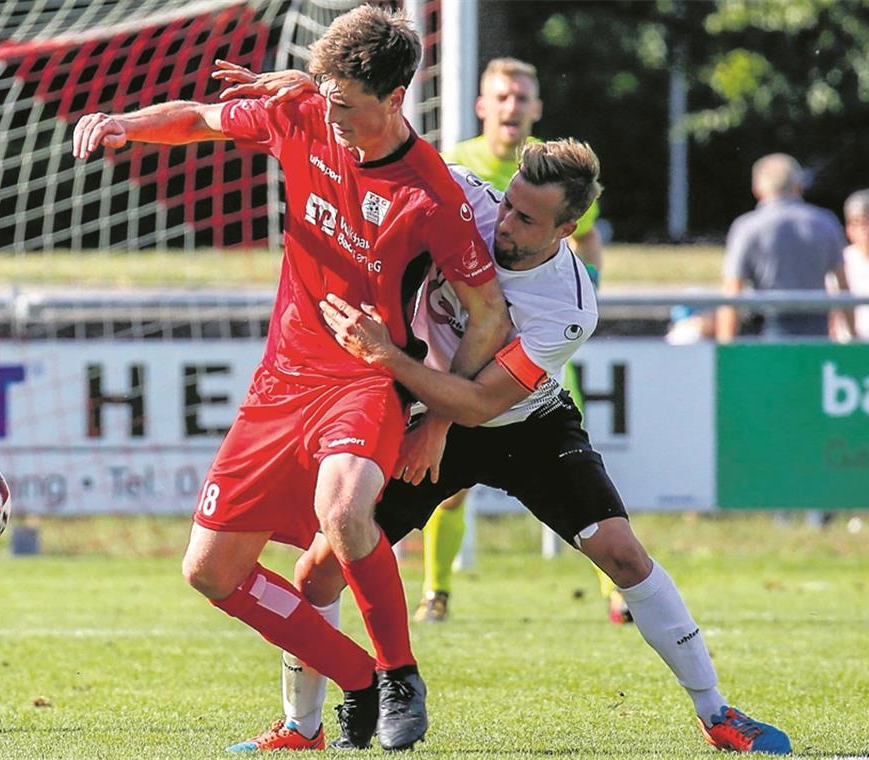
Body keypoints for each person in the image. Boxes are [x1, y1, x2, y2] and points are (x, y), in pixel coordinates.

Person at [228, 136, 791, 755]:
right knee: (317, 574)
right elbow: (379, 140)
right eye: (510, 203)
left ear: (567, 228)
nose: (506, 222)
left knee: (624, 555)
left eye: (527, 218)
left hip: (525, 427)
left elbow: (477, 404)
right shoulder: (467, 194)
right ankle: (302, 729)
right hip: (426, 413)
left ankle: (718, 715)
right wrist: (313, 96)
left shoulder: (568, 305)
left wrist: (395, 367)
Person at [72, 6, 510, 752]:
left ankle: (401, 675)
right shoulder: (304, 112)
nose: (330, 114)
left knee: (343, 513)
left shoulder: (430, 193)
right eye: (325, 95)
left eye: (346, 103)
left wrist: (437, 415)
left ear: (395, 98)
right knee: (209, 572)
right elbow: (202, 119)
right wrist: (125, 122)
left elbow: (488, 315)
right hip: (281, 380)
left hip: (366, 379)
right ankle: (358, 679)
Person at [418, 56, 620, 625]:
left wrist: (581, 292)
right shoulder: (457, 162)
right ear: (483, 106)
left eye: (522, 97)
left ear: (535, 107)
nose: (512, 107)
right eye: (502, 97)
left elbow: (588, 239)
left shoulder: (559, 177)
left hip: (534, 353)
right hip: (464, 339)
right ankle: (436, 590)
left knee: (580, 477)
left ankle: (617, 592)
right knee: (446, 475)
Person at [717, 153, 852, 342]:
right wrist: (854, 338)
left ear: (757, 188)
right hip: (818, 329)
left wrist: (726, 347)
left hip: (770, 329)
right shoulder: (825, 222)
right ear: (799, 186)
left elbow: (732, 293)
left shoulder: (746, 227)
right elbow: (843, 287)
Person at [832, 189, 869, 342]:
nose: (867, 229)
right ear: (848, 228)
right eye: (858, 222)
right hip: (850, 355)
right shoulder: (839, 263)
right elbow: (831, 316)